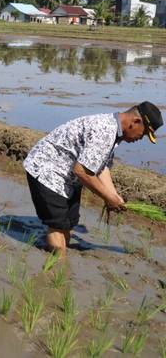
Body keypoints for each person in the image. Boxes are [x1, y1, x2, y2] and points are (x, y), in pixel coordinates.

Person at [24, 102, 162, 256]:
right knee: (57, 226)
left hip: (67, 175)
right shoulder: (105, 130)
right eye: (142, 134)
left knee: (68, 223)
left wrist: (114, 196)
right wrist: (108, 197)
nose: (140, 138)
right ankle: (58, 269)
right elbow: (82, 171)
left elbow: (102, 168)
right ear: (135, 122)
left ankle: (58, 256)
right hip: (47, 170)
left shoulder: (114, 132)